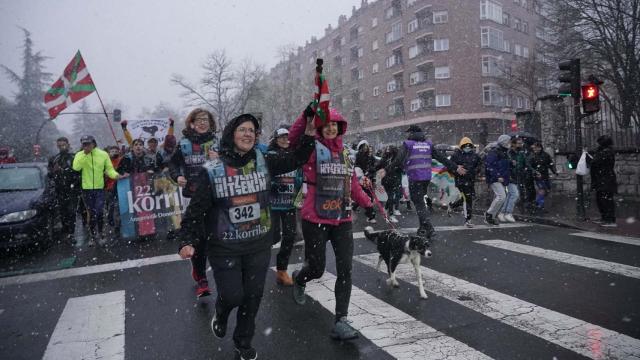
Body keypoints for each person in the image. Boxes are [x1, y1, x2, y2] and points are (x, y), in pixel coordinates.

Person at [178, 113, 316, 360]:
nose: (248, 134)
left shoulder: (265, 161)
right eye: (242, 129)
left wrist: (308, 133)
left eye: (252, 130)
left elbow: (297, 158)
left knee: (252, 297)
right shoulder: (212, 170)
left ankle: (243, 342)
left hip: (258, 243)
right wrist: (186, 240)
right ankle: (221, 312)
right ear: (232, 134)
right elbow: (195, 210)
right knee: (233, 296)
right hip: (224, 246)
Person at [288, 107, 375, 341]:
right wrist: (305, 116)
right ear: (319, 127)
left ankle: (341, 320)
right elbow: (293, 139)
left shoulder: (346, 153)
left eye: (335, 124)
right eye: (326, 124)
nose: (331, 127)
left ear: (340, 128)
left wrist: (367, 203)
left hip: (343, 219)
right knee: (317, 268)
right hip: (315, 218)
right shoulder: (311, 150)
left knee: (345, 269)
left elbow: (352, 183)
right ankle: (300, 277)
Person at [391, 125, 462, 237]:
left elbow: (398, 160)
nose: (408, 135)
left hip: (415, 177)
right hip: (426, 178)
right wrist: (455, 167)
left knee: (419, 203)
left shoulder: (408, 144)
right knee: (420, 203)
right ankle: (423, 228)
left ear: (412, 133)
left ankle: (429, 227)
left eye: (409, 133)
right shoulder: (428, 144)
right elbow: (441, 157)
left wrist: (387, 169)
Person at [72, 135, 126, 246]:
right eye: (84, 144)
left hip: (99, 188)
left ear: (94, 143)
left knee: (100, 212)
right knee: (91, 213)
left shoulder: (103, 154)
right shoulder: (79, 154)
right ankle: (92, 236)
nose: (86, 146)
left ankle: (101, 234)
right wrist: (85, 155)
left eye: (88, 143)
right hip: (86, 189)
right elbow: (76, 167)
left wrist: (117, 176)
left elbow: (109, 170)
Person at [267, 127, 303, 286]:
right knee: (272, 236)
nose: (285, 140)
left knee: (290, 235)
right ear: (275, 139)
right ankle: (254, 264)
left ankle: (282, 270)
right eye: (281, 137)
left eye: (287, 137)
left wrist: (299, 197)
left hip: (289, 203)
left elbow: (300, 178)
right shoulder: (270, 155)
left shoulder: (294, 155)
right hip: (273, 203)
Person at [47, 137, 81, 241]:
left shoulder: (74, 157)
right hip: (59, 189)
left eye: (63, 145)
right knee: (63, 212)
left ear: (68, 144)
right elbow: (49, 175)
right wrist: (54, 171)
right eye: (59, 145)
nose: (62, 147)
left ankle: (71, 233)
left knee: (71, 212)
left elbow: (79, 173)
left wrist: (66, 171)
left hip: (72, 189)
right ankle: (66, 230)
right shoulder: (54, 158)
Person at [449, 137, 481, 227]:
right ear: (461, 146)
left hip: (470, 180)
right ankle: (468, 220)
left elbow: (479, 166)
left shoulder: (475, 156)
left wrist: (474, 171)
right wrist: (457, 170)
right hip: (460, 181)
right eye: (465, 146)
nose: (467, 148)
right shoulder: (456, 155)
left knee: (467, 198)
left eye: (469, 146)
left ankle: (453, 206)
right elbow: (450, 167)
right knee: (468, 198)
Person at [588, 135, 617, 227]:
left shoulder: (607, 152)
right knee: (600, 199)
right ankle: (604, 217)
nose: (597, 144)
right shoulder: (602, 151)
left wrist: (587, 157)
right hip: (601, 179)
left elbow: (596, 162)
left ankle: (610, 220)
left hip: (605, 179)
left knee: (606, 200)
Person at [498, 137, 527, 223]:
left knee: (510, 195)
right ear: (513, 144)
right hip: (509, 176)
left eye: (521, 143)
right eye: (518, 143)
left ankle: (503, 212)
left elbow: (525, 163)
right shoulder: (509, 153)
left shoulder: (520, 153)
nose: (520, 145)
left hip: (516, 176)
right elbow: (507, 164)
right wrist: (512, 164)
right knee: (514, 194)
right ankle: (507, 212)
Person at [484, 134, 512, 225]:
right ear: (504, 142)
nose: (510, 143)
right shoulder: (495, 152)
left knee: (499, 197)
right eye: (508, 141)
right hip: (495, 178)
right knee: (501, 196)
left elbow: (503, 166)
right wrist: (497, 176)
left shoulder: (504, 152)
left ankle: (491, 216)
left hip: (500, 178)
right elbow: (490, 165)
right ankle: (489, 214)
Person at [375, 145, 403, 223]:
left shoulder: (397, 160)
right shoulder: (384, 159)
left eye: (389, 149)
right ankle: (391, 215)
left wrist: (397, 168)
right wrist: (375, 171)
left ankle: (387, 209)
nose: (388, 151)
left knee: (391, 197)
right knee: (390, 197)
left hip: (395, 181)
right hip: (387, 181)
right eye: (387, 149)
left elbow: (402, 168)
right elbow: (377, 167)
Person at [527, 141, 557, 213]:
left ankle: (538, 203)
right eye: (534, 148)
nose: (535, 149)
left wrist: (554, 171)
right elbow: (529, 166)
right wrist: (535, 172)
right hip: (538, 176)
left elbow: (550, 164)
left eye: (536, 148)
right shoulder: (532, 156)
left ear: (540, 148)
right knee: (542, 189)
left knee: (547, 190)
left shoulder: (545, 155)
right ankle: (539, 205)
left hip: (545, 175)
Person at [354, 140, 377, 223]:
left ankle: (370, 216)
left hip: (368, 179)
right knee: (361, 196)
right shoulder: (358, 156)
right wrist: (362, 174)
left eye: (366, 147)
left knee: (369, 197)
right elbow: (356, 167)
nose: (365, 148)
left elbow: (374, 168)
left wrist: (372, 177)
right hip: (360, 179)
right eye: (363, 147)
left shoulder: (371, 158)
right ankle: (355, 207)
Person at [104, 145, 122, 230]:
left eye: (116, 151)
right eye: (112, 151)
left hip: (120, 186)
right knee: (111, 206)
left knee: (117, 206)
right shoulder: (106, 162)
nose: (114, 153)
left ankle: (117, 224)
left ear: (119, 152)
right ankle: (111, 219)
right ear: (109, 153)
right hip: (109, 188)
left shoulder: (121, 161)